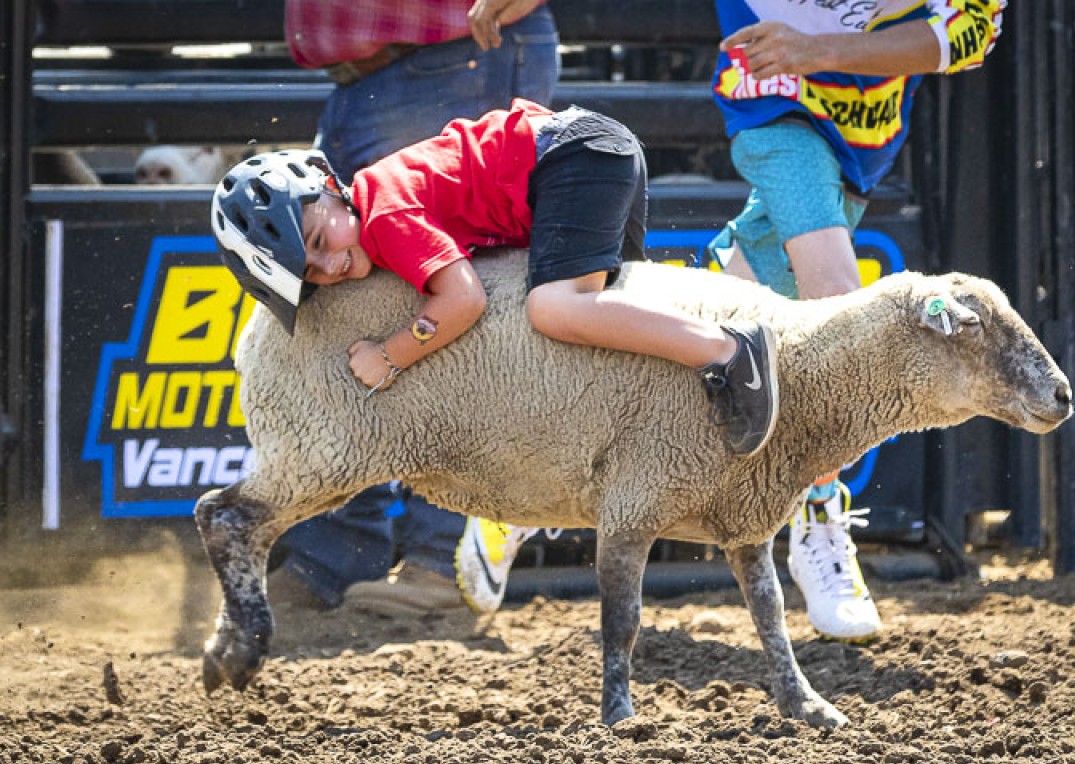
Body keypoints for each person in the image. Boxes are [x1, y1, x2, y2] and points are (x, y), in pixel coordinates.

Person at [211, 102, 783, 613]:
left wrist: (389, 355)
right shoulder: (376, 205)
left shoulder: (384, 216)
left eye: (318, 241)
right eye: (309, 273)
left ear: (330, 188)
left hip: (573, 158)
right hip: (584, 147)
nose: (329, 266)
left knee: (555, 309)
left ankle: (729, 350)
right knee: (605, 338)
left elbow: (463, 300)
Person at [707, 0, 1006, 640]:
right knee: (839, 298)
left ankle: (545, 484)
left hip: (865, 128)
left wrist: (819, 50)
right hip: (774, 103)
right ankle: (819, 516)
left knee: (729, 305)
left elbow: (973, 31)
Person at [269, 0, 561, 616]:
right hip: (387, 72)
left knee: (455, 308)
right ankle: (346, 550)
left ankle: (445, 557)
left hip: (450, 57)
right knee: (350, 297)